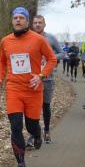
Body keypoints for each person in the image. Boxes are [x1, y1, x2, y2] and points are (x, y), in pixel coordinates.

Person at [0, 7, 57, 167]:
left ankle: (37, 134)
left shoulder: (38, 40)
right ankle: (21, 164)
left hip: (33, 90)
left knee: (31, 126)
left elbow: (52, 59)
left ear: (27, 21)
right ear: (12, 21)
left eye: (21, 17)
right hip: (14, 89)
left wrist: (41, 75)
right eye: (15, 17)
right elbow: (1, 61)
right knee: (15, 126)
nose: (18, 20)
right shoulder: (5, 41)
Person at [29, 14, 63, 145]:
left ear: (44, 25)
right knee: (33, 107)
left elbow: (62, 53)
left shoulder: (51, 38)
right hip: (32, 78)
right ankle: (33, 134)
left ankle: (47, 130)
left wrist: (50, 57)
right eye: (35, 23)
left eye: (40, 23)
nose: (37, 25)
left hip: (47, 78)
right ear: (32, 25)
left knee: (45, 105)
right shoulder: (28, 38)